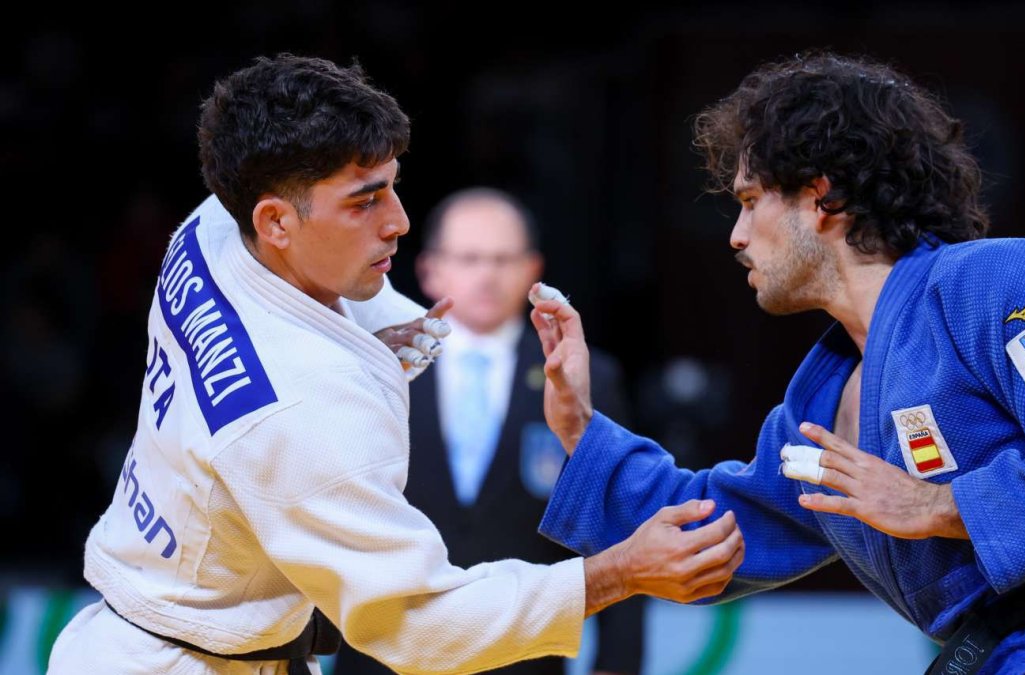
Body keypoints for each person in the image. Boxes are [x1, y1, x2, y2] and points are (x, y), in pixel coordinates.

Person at [47, 54, 745, 675]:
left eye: (392, 185)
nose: (400, 220)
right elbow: (420, 622)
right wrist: (620, 570)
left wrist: (416, 336)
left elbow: (330, 309)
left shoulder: (206, 231)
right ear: (276, 222)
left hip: (136, 629)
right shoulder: (304, 411)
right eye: (365, 199)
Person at [530, 51, 1025, 675]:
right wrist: (579, 427)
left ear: (823, 197)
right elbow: (709, 532)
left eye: (752, 199)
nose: (735, 234)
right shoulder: (824, 401)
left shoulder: (998, 282)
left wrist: (939, 501)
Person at [336, 188, 645, 675]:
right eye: (470, 257)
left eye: (503, 259)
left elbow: (617, 524)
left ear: (532, 270)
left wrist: (617, 663)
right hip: (387, 654)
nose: (486, 274)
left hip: (524, 656)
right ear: (430, 268)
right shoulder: (374, 367)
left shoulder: (582, 374)